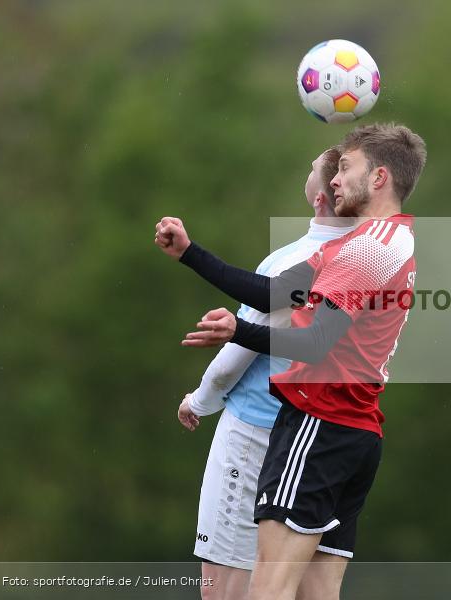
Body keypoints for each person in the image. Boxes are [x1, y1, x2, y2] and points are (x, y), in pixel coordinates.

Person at [155, 123, 427, 600]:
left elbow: (317, 342)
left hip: (319, 425)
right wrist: (190, 254)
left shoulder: (366, 249)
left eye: (346, 168)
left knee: (269, 588)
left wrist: (239, 331)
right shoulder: (377, 241)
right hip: (356, 431)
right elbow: (273, 292)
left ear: (380, 178)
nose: (334, 179)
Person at [177, 147, 354, 600]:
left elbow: (242, 347)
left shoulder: (295, 262)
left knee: (226, 588)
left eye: (313, 167)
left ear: (320, 197)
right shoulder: (367, 258)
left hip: (256, 434)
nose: (311, 170)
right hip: (324, 441)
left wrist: (200, 399)